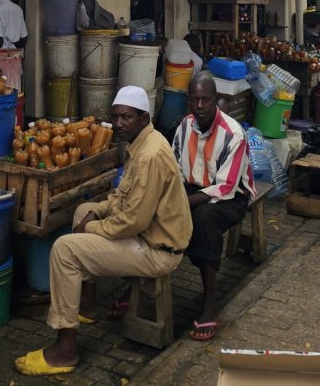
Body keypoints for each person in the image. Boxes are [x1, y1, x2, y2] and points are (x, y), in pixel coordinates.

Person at [16, 85, 191, 377]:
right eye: (116, 117)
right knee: (84, 210)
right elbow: (123, 197)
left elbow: (133, 221)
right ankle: (86, 304)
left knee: (65, 249)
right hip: (146, 234)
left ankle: (65, 347)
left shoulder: (149, 156)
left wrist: (94, 227)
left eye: (127, 117)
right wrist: (97, 212)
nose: (119, 123)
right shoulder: (142, 144)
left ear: (144, 118)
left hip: (157, 250)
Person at [171, 73, 256, 341]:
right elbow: (174, 169)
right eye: (194, 99)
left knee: (203, 218)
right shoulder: (184, 126)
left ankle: (210, 301)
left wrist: (183, 202)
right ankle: (142, 281)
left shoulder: (234, 133)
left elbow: (225, 187)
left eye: (206, 99)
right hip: (195, 190)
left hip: (233, 196)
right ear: (188, 101)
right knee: (160, 209)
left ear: (215, 100)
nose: (200, 105)